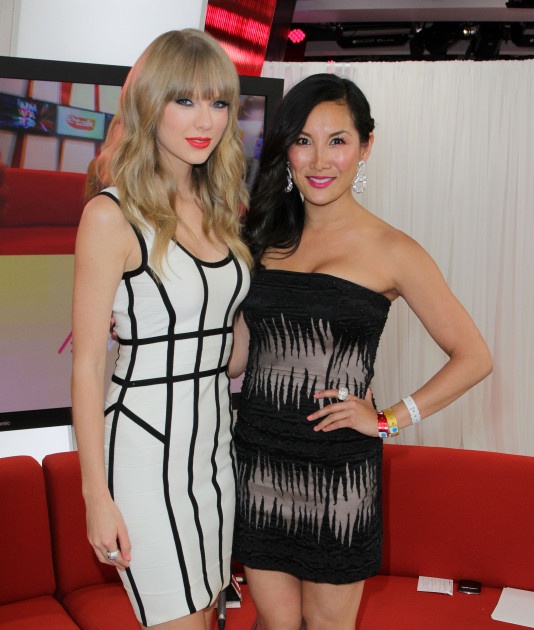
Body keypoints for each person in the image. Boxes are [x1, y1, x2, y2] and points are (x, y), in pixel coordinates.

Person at [228, 73, 492, 630]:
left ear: (366, 146)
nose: (320, 159)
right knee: (274, 624)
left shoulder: (394, 250)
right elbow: (238, 357)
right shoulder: (264, 238)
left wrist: (388, 420)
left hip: (338, 475)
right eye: (303, 140)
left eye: (338, 141)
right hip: (259, 460)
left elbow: (474, 357)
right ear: (287, 149)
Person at [71, 29, 251, 630]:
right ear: (150, 104)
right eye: (185, 100)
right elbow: (87, 365)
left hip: (214, 452)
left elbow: (229, 351)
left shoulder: (222, 209)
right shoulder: (110, 215)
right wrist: (96, 497)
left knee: (208, 615)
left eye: (218, 102)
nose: (205, 120)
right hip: (143, 455)